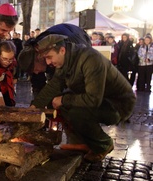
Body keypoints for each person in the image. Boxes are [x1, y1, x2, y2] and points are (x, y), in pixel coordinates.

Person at [29, 34, 136, 163]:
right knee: (61, 105)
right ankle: (84, 143)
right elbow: (54, 85)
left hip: (118, 104)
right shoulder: (66, 60)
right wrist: (34, 107)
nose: (48, 63)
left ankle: (103, 144)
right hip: (100, 100)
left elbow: (93, 99)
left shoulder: (90, 60)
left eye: (49, 57)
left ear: (62, 50)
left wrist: (63, 100)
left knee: (77, 113)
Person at [0, 41, 17, 106]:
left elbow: (15, 69)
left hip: (9, 93)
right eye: (4, 59)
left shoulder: (13, 63)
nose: (8, 62)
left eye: (10, 59)